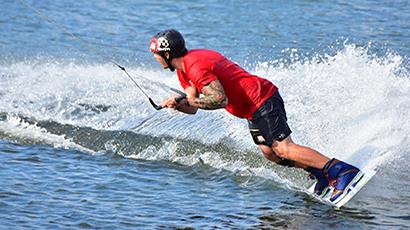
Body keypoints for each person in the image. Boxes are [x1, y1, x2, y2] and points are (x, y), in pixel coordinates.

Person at [149, 29, 361, 201]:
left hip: (261, 98)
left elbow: (218, 100)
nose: (155, 59)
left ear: (167, 54)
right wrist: (178, 104)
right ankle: (320, 174)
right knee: (270, 153)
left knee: (282, 147)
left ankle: (341, 171)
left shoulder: (196, 66)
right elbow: (193, 106)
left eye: (156, 55)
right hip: (252, 107)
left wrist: (187, 101)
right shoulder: (182, 70)